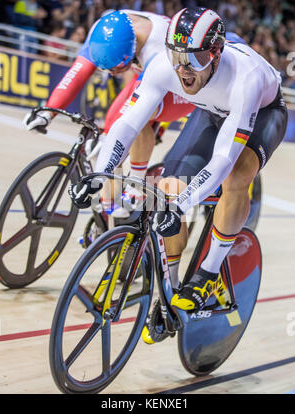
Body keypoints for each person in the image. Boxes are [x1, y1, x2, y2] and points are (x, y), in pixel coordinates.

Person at [68, 7, 287, 314]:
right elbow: (127, 123)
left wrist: (183, 204)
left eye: (194, 60)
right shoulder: (164, 66)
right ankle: (168, 291)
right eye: (176, 57)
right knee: (169, 187)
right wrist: (100, 174)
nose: (183, 70)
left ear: (215, 53)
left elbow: (224, 157)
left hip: (263, 113)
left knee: (235, 176)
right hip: (211, 112)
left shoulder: (245, 79)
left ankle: (208, 273)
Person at [23, 9, 195, 216]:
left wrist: (111, 139)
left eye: (115, 68)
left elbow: (134, 112)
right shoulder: (102, 30)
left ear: (132, 52)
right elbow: (76, 74)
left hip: (180, 90)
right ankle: (107, 209)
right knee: (111, 134)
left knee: (135, 119)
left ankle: (137, 186)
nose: (110, 74)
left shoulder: (158, 47)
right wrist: (48, 112)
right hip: (143, 76)